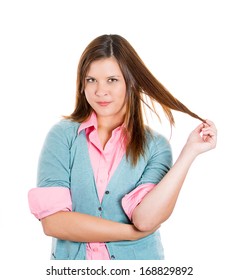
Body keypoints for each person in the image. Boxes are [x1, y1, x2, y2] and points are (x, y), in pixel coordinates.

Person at [28, 34, 217, 260]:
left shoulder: (155, 146)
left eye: (112, 80)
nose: (100, 91)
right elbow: (53, 222)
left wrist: (190, 152)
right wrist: (131, 233)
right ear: (81, 84)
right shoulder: (62, 136)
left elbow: (145, 219)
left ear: (131, 82)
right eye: (91, 80)